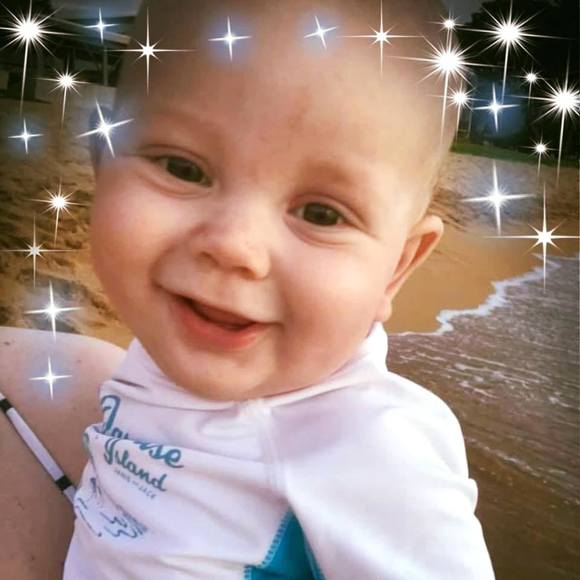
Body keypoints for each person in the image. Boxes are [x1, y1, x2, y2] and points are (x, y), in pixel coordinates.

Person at [16, 0, 493, 577]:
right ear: (103, 165)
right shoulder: (168, 341)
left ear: (397, 267)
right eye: (183, 169)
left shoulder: (368, 452)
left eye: (321, 213)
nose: (234, 246)